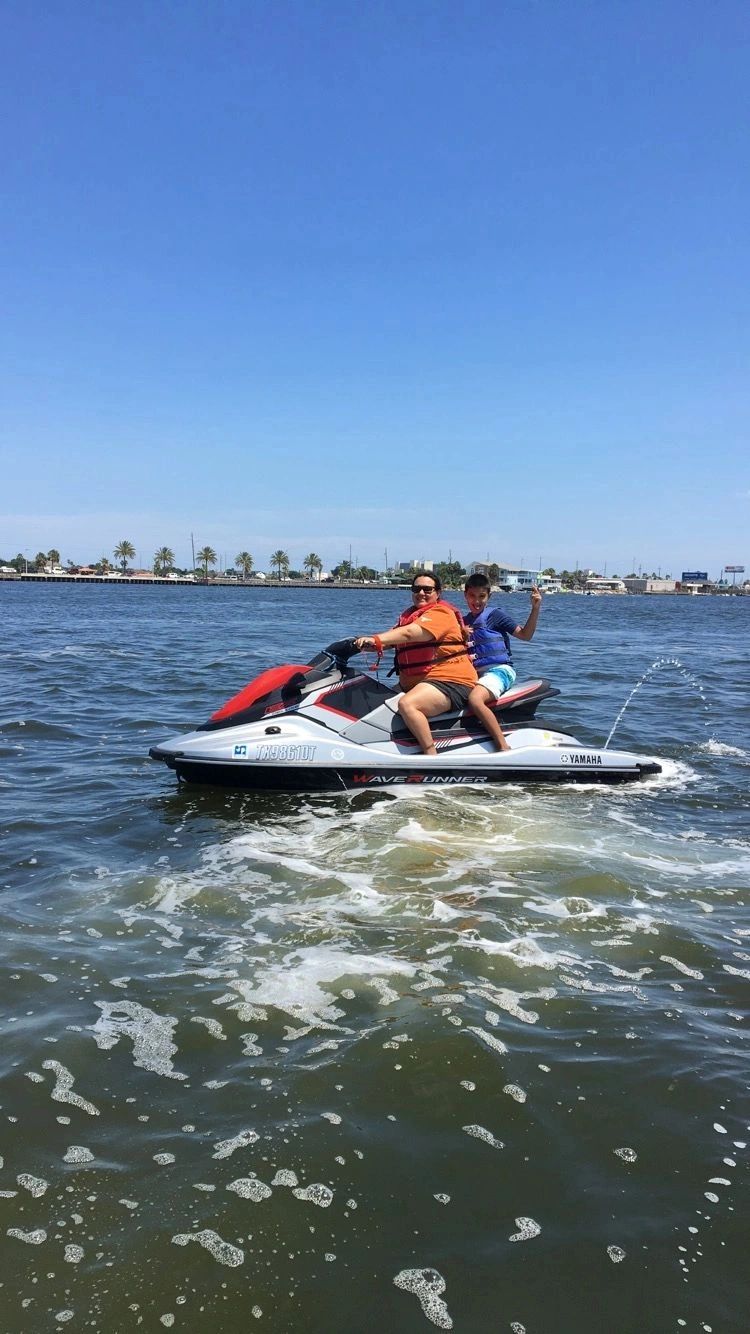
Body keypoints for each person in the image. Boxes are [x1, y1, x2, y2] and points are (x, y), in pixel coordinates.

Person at [355, 571, 477, 756]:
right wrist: (363, 645)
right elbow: (393, 639)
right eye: (416, 588)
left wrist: (376, 639)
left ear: (438, 593)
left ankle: (430, 756)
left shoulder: (441, 613)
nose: (421, 593)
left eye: (427, 589)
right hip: (420, 683)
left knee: (408, 705)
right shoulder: (411, 616)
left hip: (452, 681)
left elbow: (410, 633)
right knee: (374, 705)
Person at [463, 573, 542, 751]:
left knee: (475, 700)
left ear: (489, 596)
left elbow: (525, 635)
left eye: (481, 596)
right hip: (475, 676)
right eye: (472, 596)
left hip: (499, 671)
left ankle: (503, 746)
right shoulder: (462, 622)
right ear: (465, 595)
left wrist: (535, 608)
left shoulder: (495, 616)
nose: (477, 601)